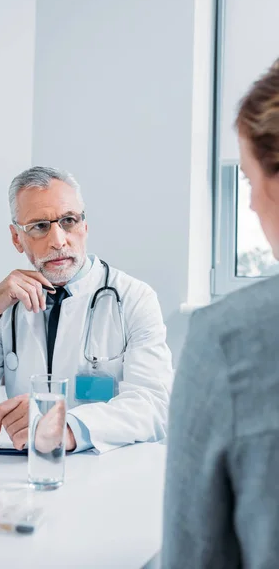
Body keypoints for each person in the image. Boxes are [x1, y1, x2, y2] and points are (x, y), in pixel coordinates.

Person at [0, 166, 172, 454]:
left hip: (104, 470)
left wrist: (64, 429)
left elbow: (155, 407)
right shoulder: (6, 307)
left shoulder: (132, 298)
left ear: (84, 226)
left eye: (68, 221)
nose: (58, 240)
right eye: (40, 226)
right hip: (25, 472)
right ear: (16, 238)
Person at [162, 58, 279, 568]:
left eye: (250, 179)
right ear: (15, 235)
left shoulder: (229, 337)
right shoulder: (2, 298)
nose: (251, 205)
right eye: (38, 225)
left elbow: (194, 556)